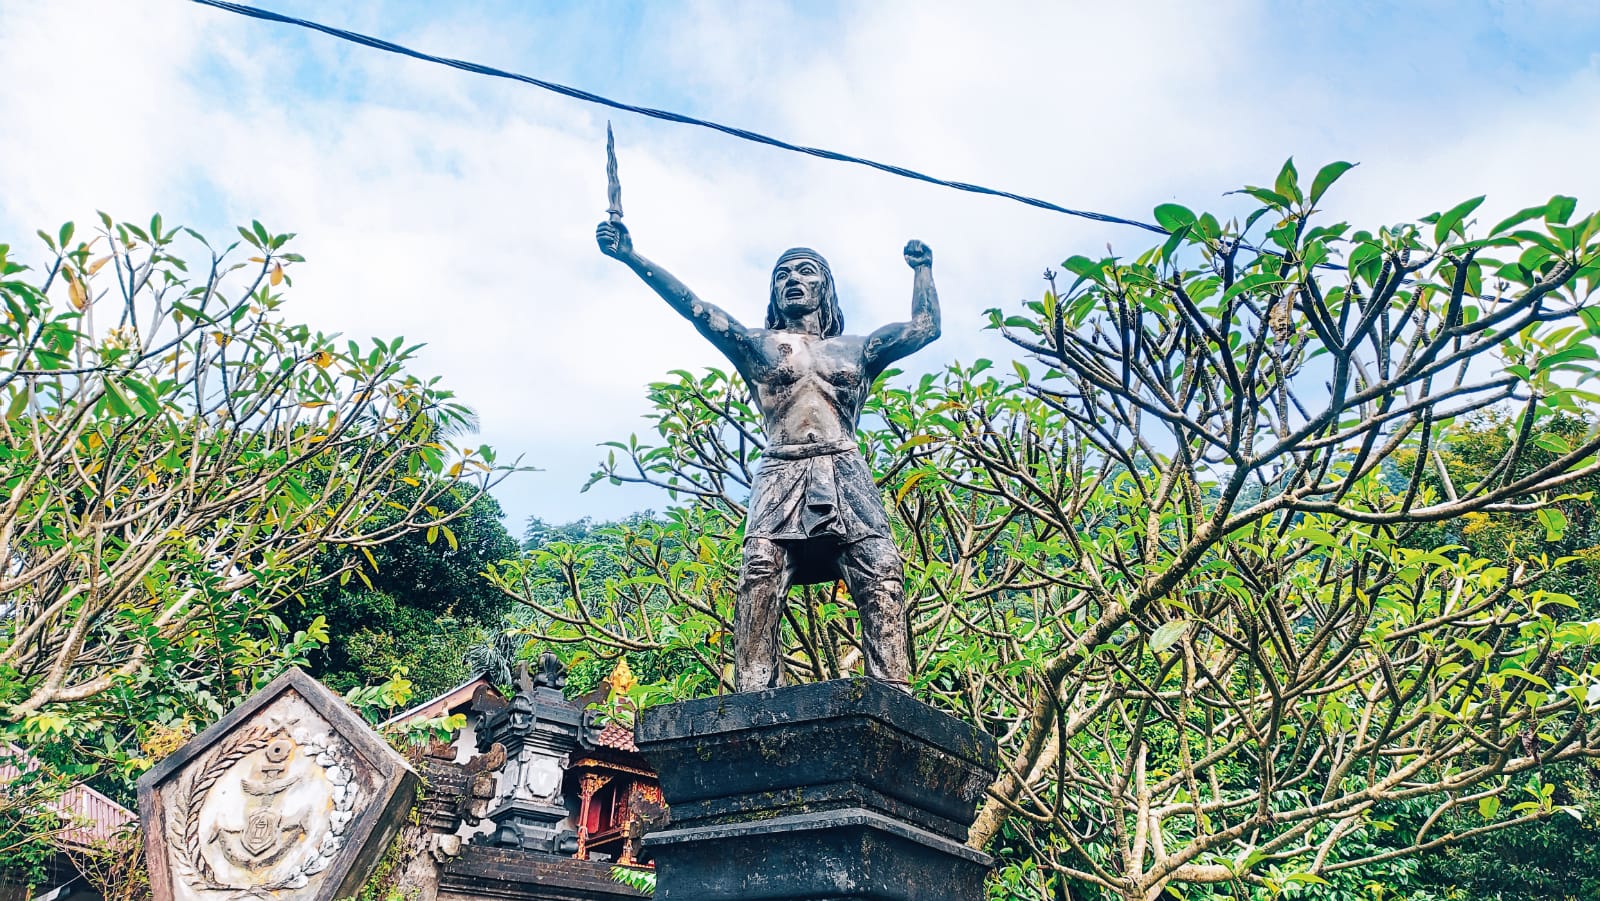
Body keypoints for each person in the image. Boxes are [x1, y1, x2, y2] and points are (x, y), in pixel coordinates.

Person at [597, 219, 941, 691]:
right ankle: (754, 692)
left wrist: (923, 270)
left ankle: (892, 690)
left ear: (825, 287)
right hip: (782, 466)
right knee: (759, 569)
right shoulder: (758, 345)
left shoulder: (858, 349)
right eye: (782, 275)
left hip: (844, 465)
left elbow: (925, 328)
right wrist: (632, 256)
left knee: (880, 568)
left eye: (805, 271)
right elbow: (697, 309)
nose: (792, 280)